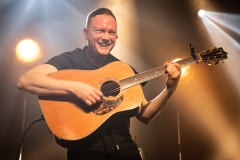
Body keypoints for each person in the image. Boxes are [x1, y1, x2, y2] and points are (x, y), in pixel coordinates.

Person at [17, 8, 181, 160]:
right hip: (86, 153)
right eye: (100, 31)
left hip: (127, 151)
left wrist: (170, 89)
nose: (106, 37)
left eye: (112, 33)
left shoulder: (124, 69)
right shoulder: (70, 60)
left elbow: (145, 115)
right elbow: (26, 81)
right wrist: (75, 88)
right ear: (86, 33)